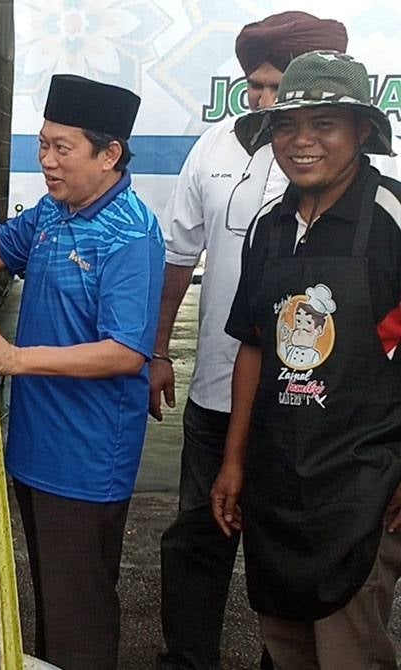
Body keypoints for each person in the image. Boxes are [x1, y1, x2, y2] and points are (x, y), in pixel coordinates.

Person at [150, 12, 356, 669]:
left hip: (319, 410)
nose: (264, 101)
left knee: (298, 549)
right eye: (255, 88)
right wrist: (157, 351)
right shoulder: (214, 148)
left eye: (276, 85)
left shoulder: (370, 172)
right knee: (197, 536)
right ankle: (188, 658)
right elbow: (179, 258)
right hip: (219, 391)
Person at [0, 74, 164, 669]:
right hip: (36, 447)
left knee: (80, 614)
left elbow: (125, 352)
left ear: (110, 154)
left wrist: (15, 358)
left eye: (62, 148)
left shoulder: (131, 233)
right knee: (48, 604)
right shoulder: (51, 212)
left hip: (88, 460)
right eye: (42, 145)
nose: (46, 160)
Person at [211, 50, 401, 668]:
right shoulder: (269, 226)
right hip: (276, 484)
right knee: (285, 647)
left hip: (363, 487)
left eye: (324, 124)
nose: (302, 142)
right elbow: (255, 346)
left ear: (362, 131)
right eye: (288, 126)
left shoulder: (393, 218)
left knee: (350, 654)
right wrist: (234, 462)